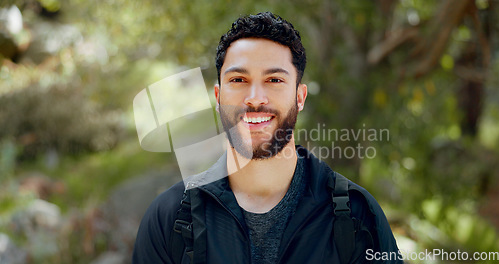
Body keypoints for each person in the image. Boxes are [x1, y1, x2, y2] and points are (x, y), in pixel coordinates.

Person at [133, 12, 402, 264]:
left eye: (274, 80)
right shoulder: (169, 218)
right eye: (238, 80)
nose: (255, 98)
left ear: (300, 97)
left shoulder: (357, 216)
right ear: (217, 97)